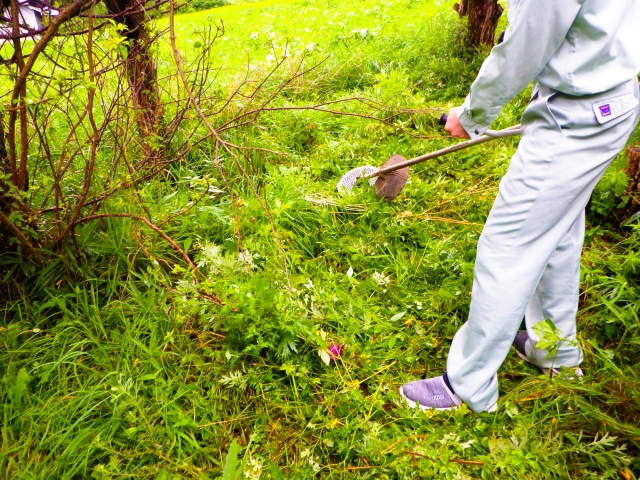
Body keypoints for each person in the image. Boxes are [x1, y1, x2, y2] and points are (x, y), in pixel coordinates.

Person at [400, 0, 640, 413]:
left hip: (576, 117)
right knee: (559, 232)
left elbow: (527, 43)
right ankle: (554, 351)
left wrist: (472, 114)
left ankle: (467, 387)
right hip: (613, 100)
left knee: (508, 245)